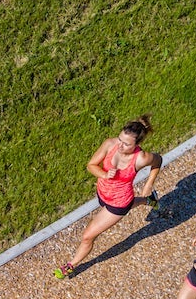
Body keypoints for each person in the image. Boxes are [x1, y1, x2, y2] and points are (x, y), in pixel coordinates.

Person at [54, 115, 164, 279]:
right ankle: (150, 201)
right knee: (129, 204)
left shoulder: (141, 158)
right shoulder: (109, 144)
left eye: (126, 144)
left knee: (87, 236)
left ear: (137, 145)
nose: (120, 145)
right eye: (120, 139)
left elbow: (158, 160)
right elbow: (91, 165)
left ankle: (71, 265)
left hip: (119, 202)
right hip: (103, 192)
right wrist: (105, 175)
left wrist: (148, 184)